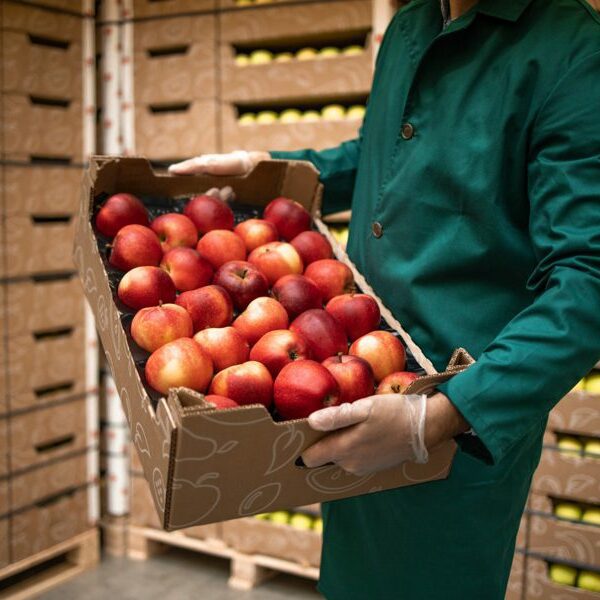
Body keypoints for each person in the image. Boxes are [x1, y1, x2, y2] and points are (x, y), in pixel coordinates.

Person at [170, 0, 600, 597]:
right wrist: (281, 169)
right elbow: (391, 149)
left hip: (455, 414)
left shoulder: (573, 51)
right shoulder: (411, 25)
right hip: (351, 378)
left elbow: (590, 277)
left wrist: (439, 417)